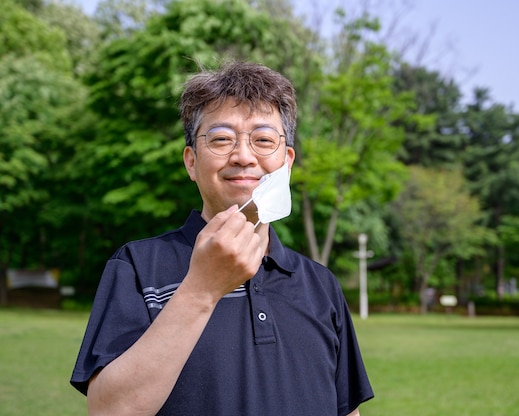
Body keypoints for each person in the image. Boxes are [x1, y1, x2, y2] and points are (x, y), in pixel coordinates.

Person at [70, 61, 374, 415]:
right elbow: (108, 411)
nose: (244, 157)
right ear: (191, 162)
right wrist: (201, 289)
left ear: (287, 162)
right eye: (221, 139)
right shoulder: (137, 268)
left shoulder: (321, 285)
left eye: (263, 140)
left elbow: (346, 410)